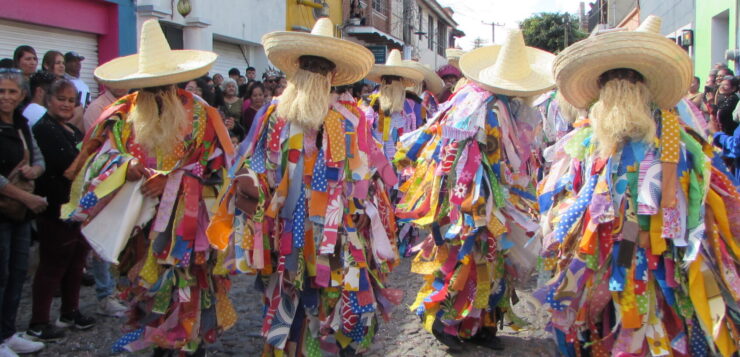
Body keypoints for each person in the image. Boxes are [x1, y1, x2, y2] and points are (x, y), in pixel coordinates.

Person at [539, 16, 740, 357]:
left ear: (642, 87)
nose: (618, 89)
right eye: (610, 82)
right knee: (610, 310)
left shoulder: (676, 137)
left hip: (664, 255)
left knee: (651, 314)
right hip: (602, 252)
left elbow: (701, 200)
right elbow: (572, 191)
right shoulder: (588, 141)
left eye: (627, 81)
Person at [207, 17, 400, 356]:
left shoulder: (346, 121)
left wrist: (364, 214)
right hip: (284, 229)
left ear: (332, 76)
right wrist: (250, 217)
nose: (314, 74)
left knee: (328, 298)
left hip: (334, 234)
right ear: (296, 72)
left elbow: (361, 177)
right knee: (287, 298)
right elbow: (252, 167)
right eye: (308, 66)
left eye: (320, 68)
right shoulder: (273, 116)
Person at [61, 19, 235, 355]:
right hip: (139, 231)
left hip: (187, 232)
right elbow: (96, 162)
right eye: (150, 88)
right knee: (149, 296)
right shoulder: (121, 115)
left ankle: (189, 343)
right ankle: (158, 343)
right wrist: (126, 168)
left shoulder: (202, 115)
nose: (158, 95)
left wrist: (175, 182)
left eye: (165, 87)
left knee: (189, 296)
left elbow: (219, 167)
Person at [396, 28, 554, 352]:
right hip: (472, 201)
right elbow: (456, 158)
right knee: (466, 261)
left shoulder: (508, 108)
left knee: (493, 265)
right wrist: (473, 202)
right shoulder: (479, 106)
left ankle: (483, 324)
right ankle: (446, 323)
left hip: (501, 201)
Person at [26, 78, 92, 343]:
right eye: (61, 99)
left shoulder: (72, 131)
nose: (66, 105)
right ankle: (39, 321)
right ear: (48, 100)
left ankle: (70, 311)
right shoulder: (45, 129)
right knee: (52, 265)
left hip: (77, 207)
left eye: (70, 100)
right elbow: (68, 166)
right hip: (54, 207)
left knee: (76, 262)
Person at [0, 68, 47, 357]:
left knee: (17, 272)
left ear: (22, 96)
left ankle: (7, 332)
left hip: (19, 214)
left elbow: (38, 156)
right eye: (1, 91)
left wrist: (35, 169)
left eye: (11, 92)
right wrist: (24, 197)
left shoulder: (21, 124)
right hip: (8, 209)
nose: (5, 97)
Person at [362, 49, 424, 161]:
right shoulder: (371, 104)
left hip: (401, 160)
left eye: (395, 80)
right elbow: (364, 131)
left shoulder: (410, 107)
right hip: (376, 162)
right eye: (387, 80)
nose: (390, 85)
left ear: (401, 84)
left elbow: (413, 133)